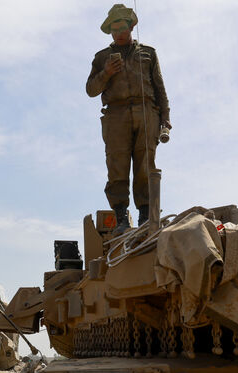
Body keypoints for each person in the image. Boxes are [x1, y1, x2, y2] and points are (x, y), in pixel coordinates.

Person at [86, 4, 170, 233]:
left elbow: (159, 87)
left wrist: (165, 116)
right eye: (113, 29)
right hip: (116, 115)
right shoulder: (102, 57)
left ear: (131, 26)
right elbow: (91, 90)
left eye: (121, 27)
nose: (118, 33)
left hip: (146, 113)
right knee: (117, 166)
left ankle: (145, 217)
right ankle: (121, 217)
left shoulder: (148, 53)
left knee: (146, 165)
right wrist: (107, 72)